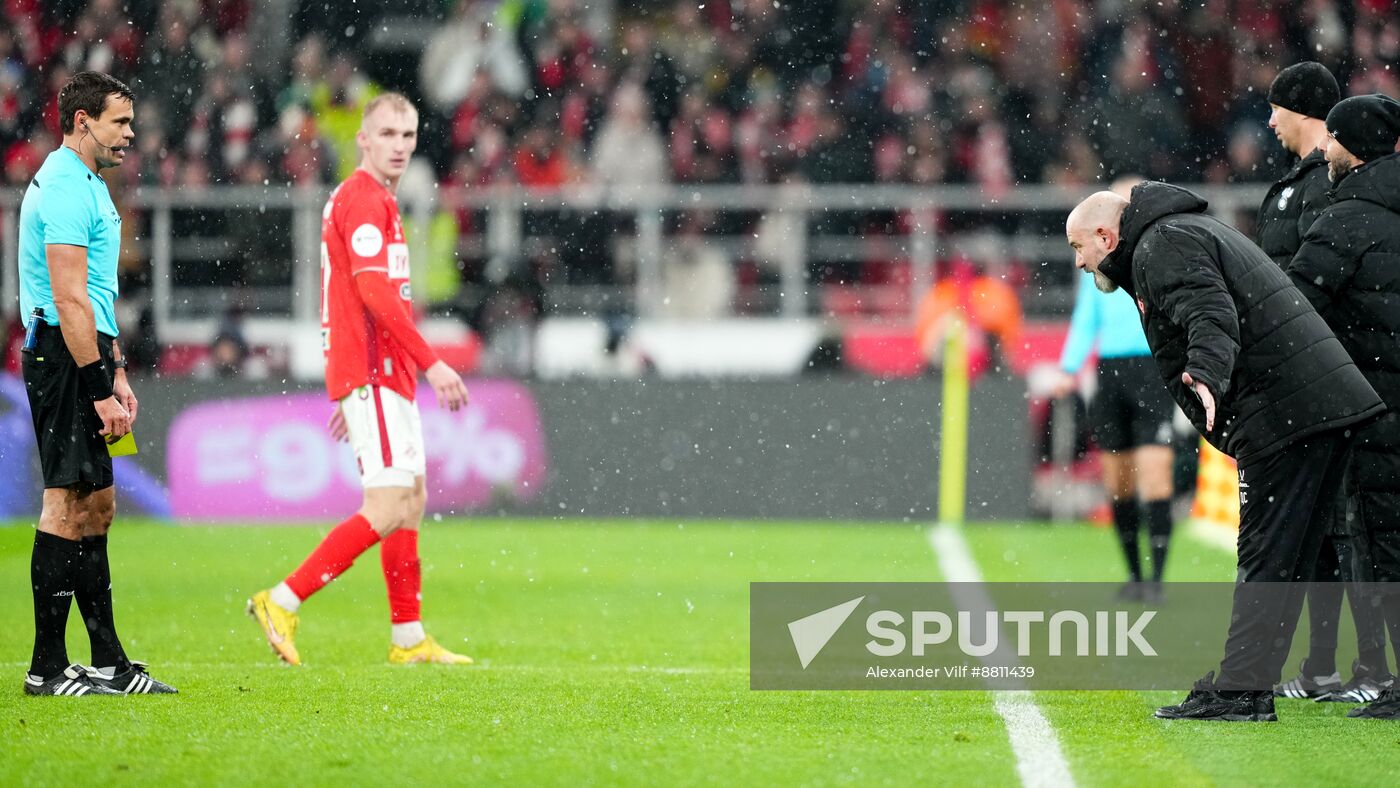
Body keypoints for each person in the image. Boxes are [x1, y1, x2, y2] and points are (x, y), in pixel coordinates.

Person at [1066, 182, 1384, 722]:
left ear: (1106, 235)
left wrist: (1206, 374)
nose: (1077, 262)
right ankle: (1250, 685)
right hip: (1321, 405)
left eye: (1079, 248)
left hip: (1287, 411)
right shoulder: (1178, 231)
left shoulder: (1158, 243)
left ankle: (1240, 691)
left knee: (1265, 550)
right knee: (1292, 553)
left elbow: (1210, 311)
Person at [248, 93, 473, 666]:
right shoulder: (364, 200)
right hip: (377, 369)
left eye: (408, 135)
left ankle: (408, 637)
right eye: (388, 134)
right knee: (389, 500)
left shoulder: (375, 201)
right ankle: (283, 599)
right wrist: (432, 362)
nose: (399, 145)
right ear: (363, 141)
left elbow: (352, 295)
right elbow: (374, 296)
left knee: (412, 498)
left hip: (377, 372)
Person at [19, 71, 176, 696]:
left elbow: (98, 300)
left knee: (99, 503)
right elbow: (69, 298)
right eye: (120, 122)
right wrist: (99, 384)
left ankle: (109, 662)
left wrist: (119, 370)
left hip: (88, 356)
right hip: (61, 358)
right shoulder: (61, 185)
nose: (130, 134)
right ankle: (47, 668)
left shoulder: (89, 183)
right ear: (82, 121)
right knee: (64, 501)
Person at [1260, 64, 1388, 704]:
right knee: (1330, 529)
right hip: (1319, 375)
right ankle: (1326, 667)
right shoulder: (1303, 185)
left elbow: (1316, 288)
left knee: (1351, 526)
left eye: (1277, 108)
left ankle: (1369, 669)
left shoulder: (1336, 190)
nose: (1270, 121)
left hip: (1339, 377)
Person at [1286, 93, 1400, 720]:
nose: (1323, 149)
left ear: (1351, 147)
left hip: (1371, 406)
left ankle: (1385, 679)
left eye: (1331, 140)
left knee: (1379, 542)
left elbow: (1294, 312)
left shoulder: (1345, 218)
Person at [1051, 264, 1175, 601]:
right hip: (1111, 375)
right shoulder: (1093, 262)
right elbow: (1086, 316)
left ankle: (1157, 581)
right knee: (1118, 483)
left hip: (1152, 371)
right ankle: (1135, 576)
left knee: (1155, 477)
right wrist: (1069, 367)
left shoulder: (1151, 253)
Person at [1257, 62, 1337, 268]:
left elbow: (1318, 271)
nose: (1271, 122)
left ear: (1301, 109)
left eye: (1276, 109)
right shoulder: (1304, 175)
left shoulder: (1323, 178)